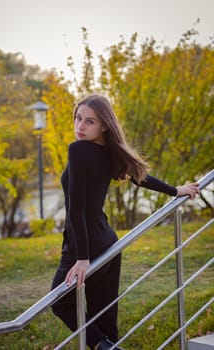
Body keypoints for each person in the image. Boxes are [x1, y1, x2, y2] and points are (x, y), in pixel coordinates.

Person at [51, 94, 200, 350]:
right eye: (78, 119)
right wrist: (175, 190)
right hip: (108, 242)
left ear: (104, 125)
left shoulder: (77, 150)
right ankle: (108, 344)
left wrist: (82, 257)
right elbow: (140, 177)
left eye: (89, 122)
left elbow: (76, 210)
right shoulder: (111, 152)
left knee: (60, 301)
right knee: (105, 315)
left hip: (82, 244)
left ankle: (100, 345)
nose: (80, 127)